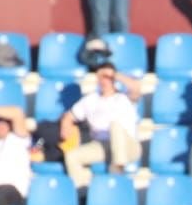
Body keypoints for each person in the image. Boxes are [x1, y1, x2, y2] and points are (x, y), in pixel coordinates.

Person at [59, 61, 141, 189]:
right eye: (100, 77)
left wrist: (114, 75)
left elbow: (136, 88)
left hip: (128, 146)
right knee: (72, 155)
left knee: (115, 126)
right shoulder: (90, 100)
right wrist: (66, 125)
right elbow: (69, 116)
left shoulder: (124, 98)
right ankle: (84, 192)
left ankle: (117, 171)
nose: (103, 80)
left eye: (106, 77)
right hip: (102, 145)